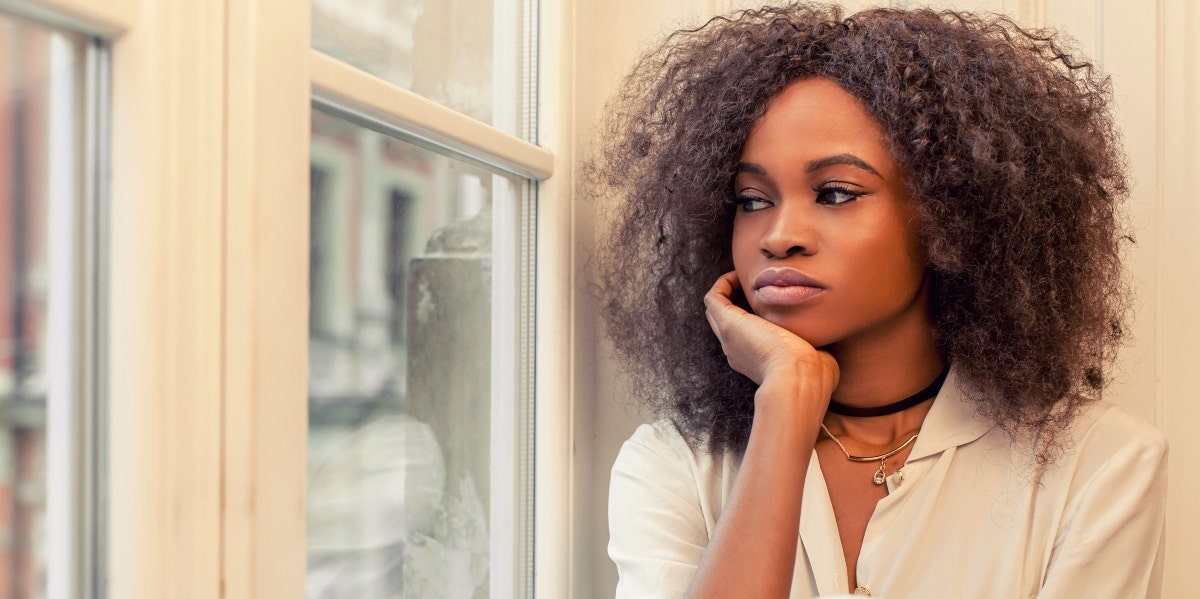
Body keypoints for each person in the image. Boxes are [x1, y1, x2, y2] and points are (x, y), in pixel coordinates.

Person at [591, 3, 1168, 598]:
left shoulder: (1100, 466)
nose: (778, 234)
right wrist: (787, 400)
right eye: (752, 199)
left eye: (836, 193)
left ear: (949, 219)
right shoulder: (675, 465)